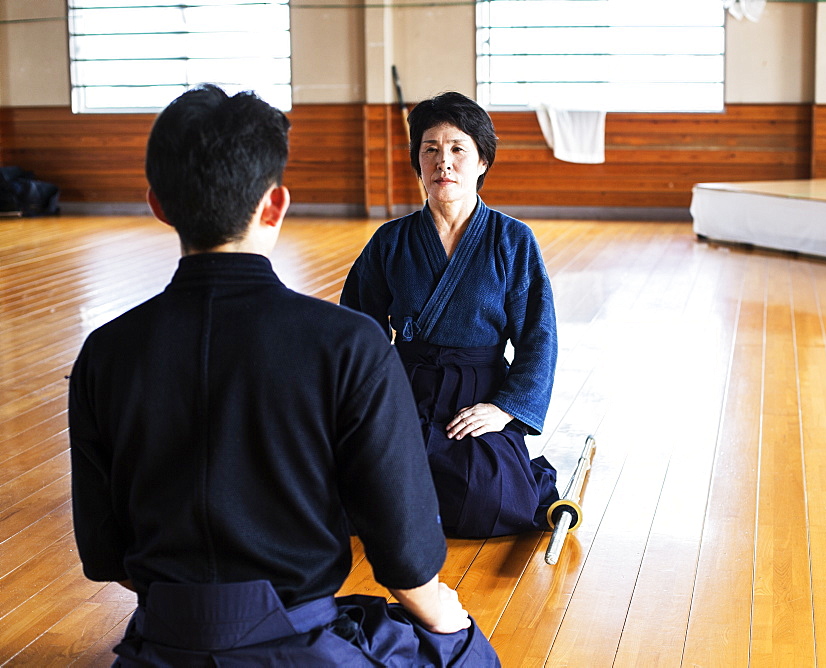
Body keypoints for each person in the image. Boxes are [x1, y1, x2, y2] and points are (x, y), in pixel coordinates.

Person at [68, 84, 499, 666]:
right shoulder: (348, 344)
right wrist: (446, 617)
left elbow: (103, 555)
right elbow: (404, 550)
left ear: (158, 205)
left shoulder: (104, 352)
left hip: (162, 643)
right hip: (301, 642)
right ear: (275, 205)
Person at [341, 91, 560, 539]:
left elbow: (539, 336)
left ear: (482, 162)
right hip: (407, 386)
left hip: (477, 393)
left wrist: (504, 409)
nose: (444, 163)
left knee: (487, 502)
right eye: (431, 150)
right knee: (359, 494)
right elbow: (357, 327)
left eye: (458, 149)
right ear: (418, 162)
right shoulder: (391, 241)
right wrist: (368, 401)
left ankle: (516, 469)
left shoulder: (512, 240)